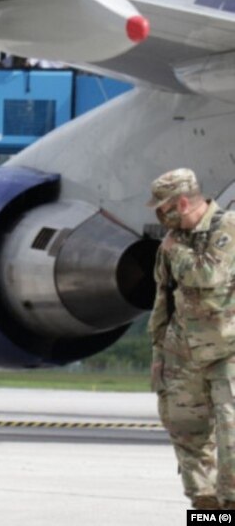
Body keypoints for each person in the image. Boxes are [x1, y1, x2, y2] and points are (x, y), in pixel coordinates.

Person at [147, 168, 235, 511]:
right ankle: (206, 508)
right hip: (181, 354)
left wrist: (177, 251)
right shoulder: (174, 240)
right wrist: (158, 352)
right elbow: (164, 297)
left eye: (163, 207)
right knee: (186, 432)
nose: (160, 214)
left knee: (230, 437)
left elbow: (209, 274)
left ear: (182, 203)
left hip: (227, 352)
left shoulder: (227, 229)